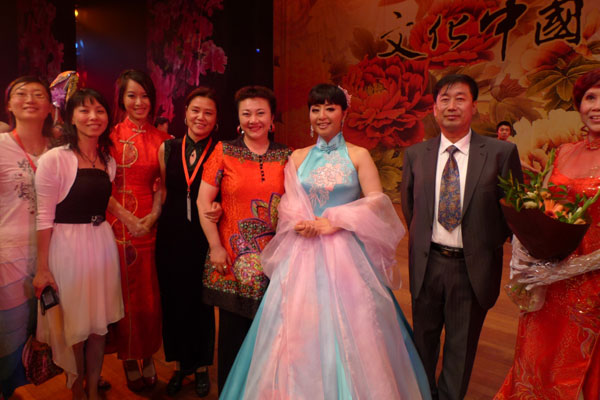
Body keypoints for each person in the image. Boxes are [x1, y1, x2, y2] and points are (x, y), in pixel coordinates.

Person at [219, 84, 431, 399]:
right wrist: (300, 222)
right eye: (316, 109)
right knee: (297, 328)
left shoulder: (359, 155)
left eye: (330, 108)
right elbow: (288, 204)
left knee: (357, 328)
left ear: (344, 114)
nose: (322, 115)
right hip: (302, 254)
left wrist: (334, 221)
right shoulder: (298, 157)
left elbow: (377, 202)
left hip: (346, 254)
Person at [400, 74, 522, 400]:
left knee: (460, 348)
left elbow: (513, 213)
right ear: (434, 109)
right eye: (444, 99)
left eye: (460, 98)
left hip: (471, 269)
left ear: (474, 106)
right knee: (422, 344)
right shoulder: (416, 155)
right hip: (427, 264)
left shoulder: (500, 153)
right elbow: (411, 208)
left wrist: (483, 243)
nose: (451, 106)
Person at [495, 69, 600, 400]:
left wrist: (573, 268)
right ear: (579, 105)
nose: (597, 106)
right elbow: (540, 207)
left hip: (593, 287)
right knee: (536, 361)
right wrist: (525, 258)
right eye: (591, 97)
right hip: (549, 282)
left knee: (578, 368)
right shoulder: (564, 152)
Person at [197, 85, 292, 393]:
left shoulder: (287, 156)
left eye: (260, 113)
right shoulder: (224, 151)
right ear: (238, 118)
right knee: (233, 339)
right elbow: (203, 201)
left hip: (276, 263)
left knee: (273, 339)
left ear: (272, 118)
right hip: (232, 260)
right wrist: (215, 246)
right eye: (246, 114)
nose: (254, 120)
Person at [33, 88, 124, 400]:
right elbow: (43, 218)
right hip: (67, 248)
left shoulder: (107, 160)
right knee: (74, 328)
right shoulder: (54, 160)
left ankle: (93, 388)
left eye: (99, 110)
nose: (93, 117)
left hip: (101, 245)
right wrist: (42, 268)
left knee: (98, 327)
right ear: (71, 117)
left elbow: (105, 201)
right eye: (84, 110)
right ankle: (77, 392)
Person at [106, 69, 170, 392]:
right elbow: (101, 185)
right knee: (123, 294)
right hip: (116, 224)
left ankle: (147, 354)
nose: (139, 102)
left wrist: (154, 215)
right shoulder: (108, 137)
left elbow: (162, 185)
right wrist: (128, 219)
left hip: (151, 226)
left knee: (149, 295)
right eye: (132, 95)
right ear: (122, 99)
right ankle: (128, 356)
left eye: (145, 96)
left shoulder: (164, 140)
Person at [155, 87, 220, 397]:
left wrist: (220, 208)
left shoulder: (222, 150)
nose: (201, 117)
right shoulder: (168, 148)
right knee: (174, 301)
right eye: (196, 110)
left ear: (216, 119)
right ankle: (181, 365)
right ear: (185, 114)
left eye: (208, 113)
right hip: (171, 235)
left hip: (205, 236)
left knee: (202, 303)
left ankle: (203, 365)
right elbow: (164, 190)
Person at [0, 76, 53, 398]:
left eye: (38, 94)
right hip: (8, 256)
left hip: (53, 254)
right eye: (21, 94)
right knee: (9, 332)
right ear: (9, 104)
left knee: (46, 329)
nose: (30, 99)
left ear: (49, 107)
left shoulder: (60, 150)